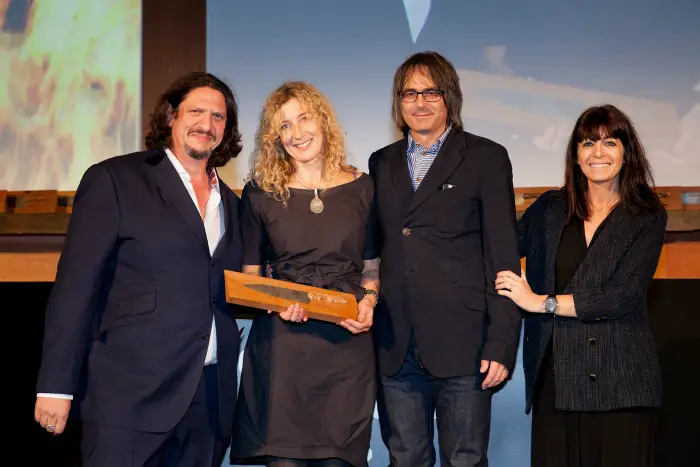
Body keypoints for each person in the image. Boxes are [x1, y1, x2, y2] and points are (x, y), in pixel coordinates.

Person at [33, 71, 245, 467]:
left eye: (218, 117)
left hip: (209, 403)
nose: (207, 124)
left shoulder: (232, 203)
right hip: (129, 401)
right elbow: (75, 290)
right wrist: (56, 386)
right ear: (170, 117)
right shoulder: (115, 179)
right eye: (196, 111)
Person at [368, 51, 522, 467]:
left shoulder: (486, 158)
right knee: (405, 459)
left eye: (430, 91)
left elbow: (503, 255)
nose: (419, 102)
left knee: (466, 460)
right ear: (398, 103)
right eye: (409, 93)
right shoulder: (379, 163)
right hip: (396, 342)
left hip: (465, 344)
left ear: (450, 97)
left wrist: (502, 342)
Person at [495, 104, 666, 467]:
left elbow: (621, 296)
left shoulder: (647, 213)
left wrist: (542, 302)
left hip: (623, 384)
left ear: (626, 152)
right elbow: (500, 248)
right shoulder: (550, 207)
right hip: (557, 380)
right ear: (575, 154)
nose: (598, 153)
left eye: (610, 143)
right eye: (588, 143)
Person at [229, 81, 380, 467]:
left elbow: (371, 268)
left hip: (347, 350)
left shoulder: (363, 188)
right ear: (273, 137)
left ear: (323, 121)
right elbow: (251, 275)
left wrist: (370, 302)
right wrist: (278, 304)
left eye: (303, 118)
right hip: (284, 355)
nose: (296, 134)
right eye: (284, 126)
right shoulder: (259, 194)